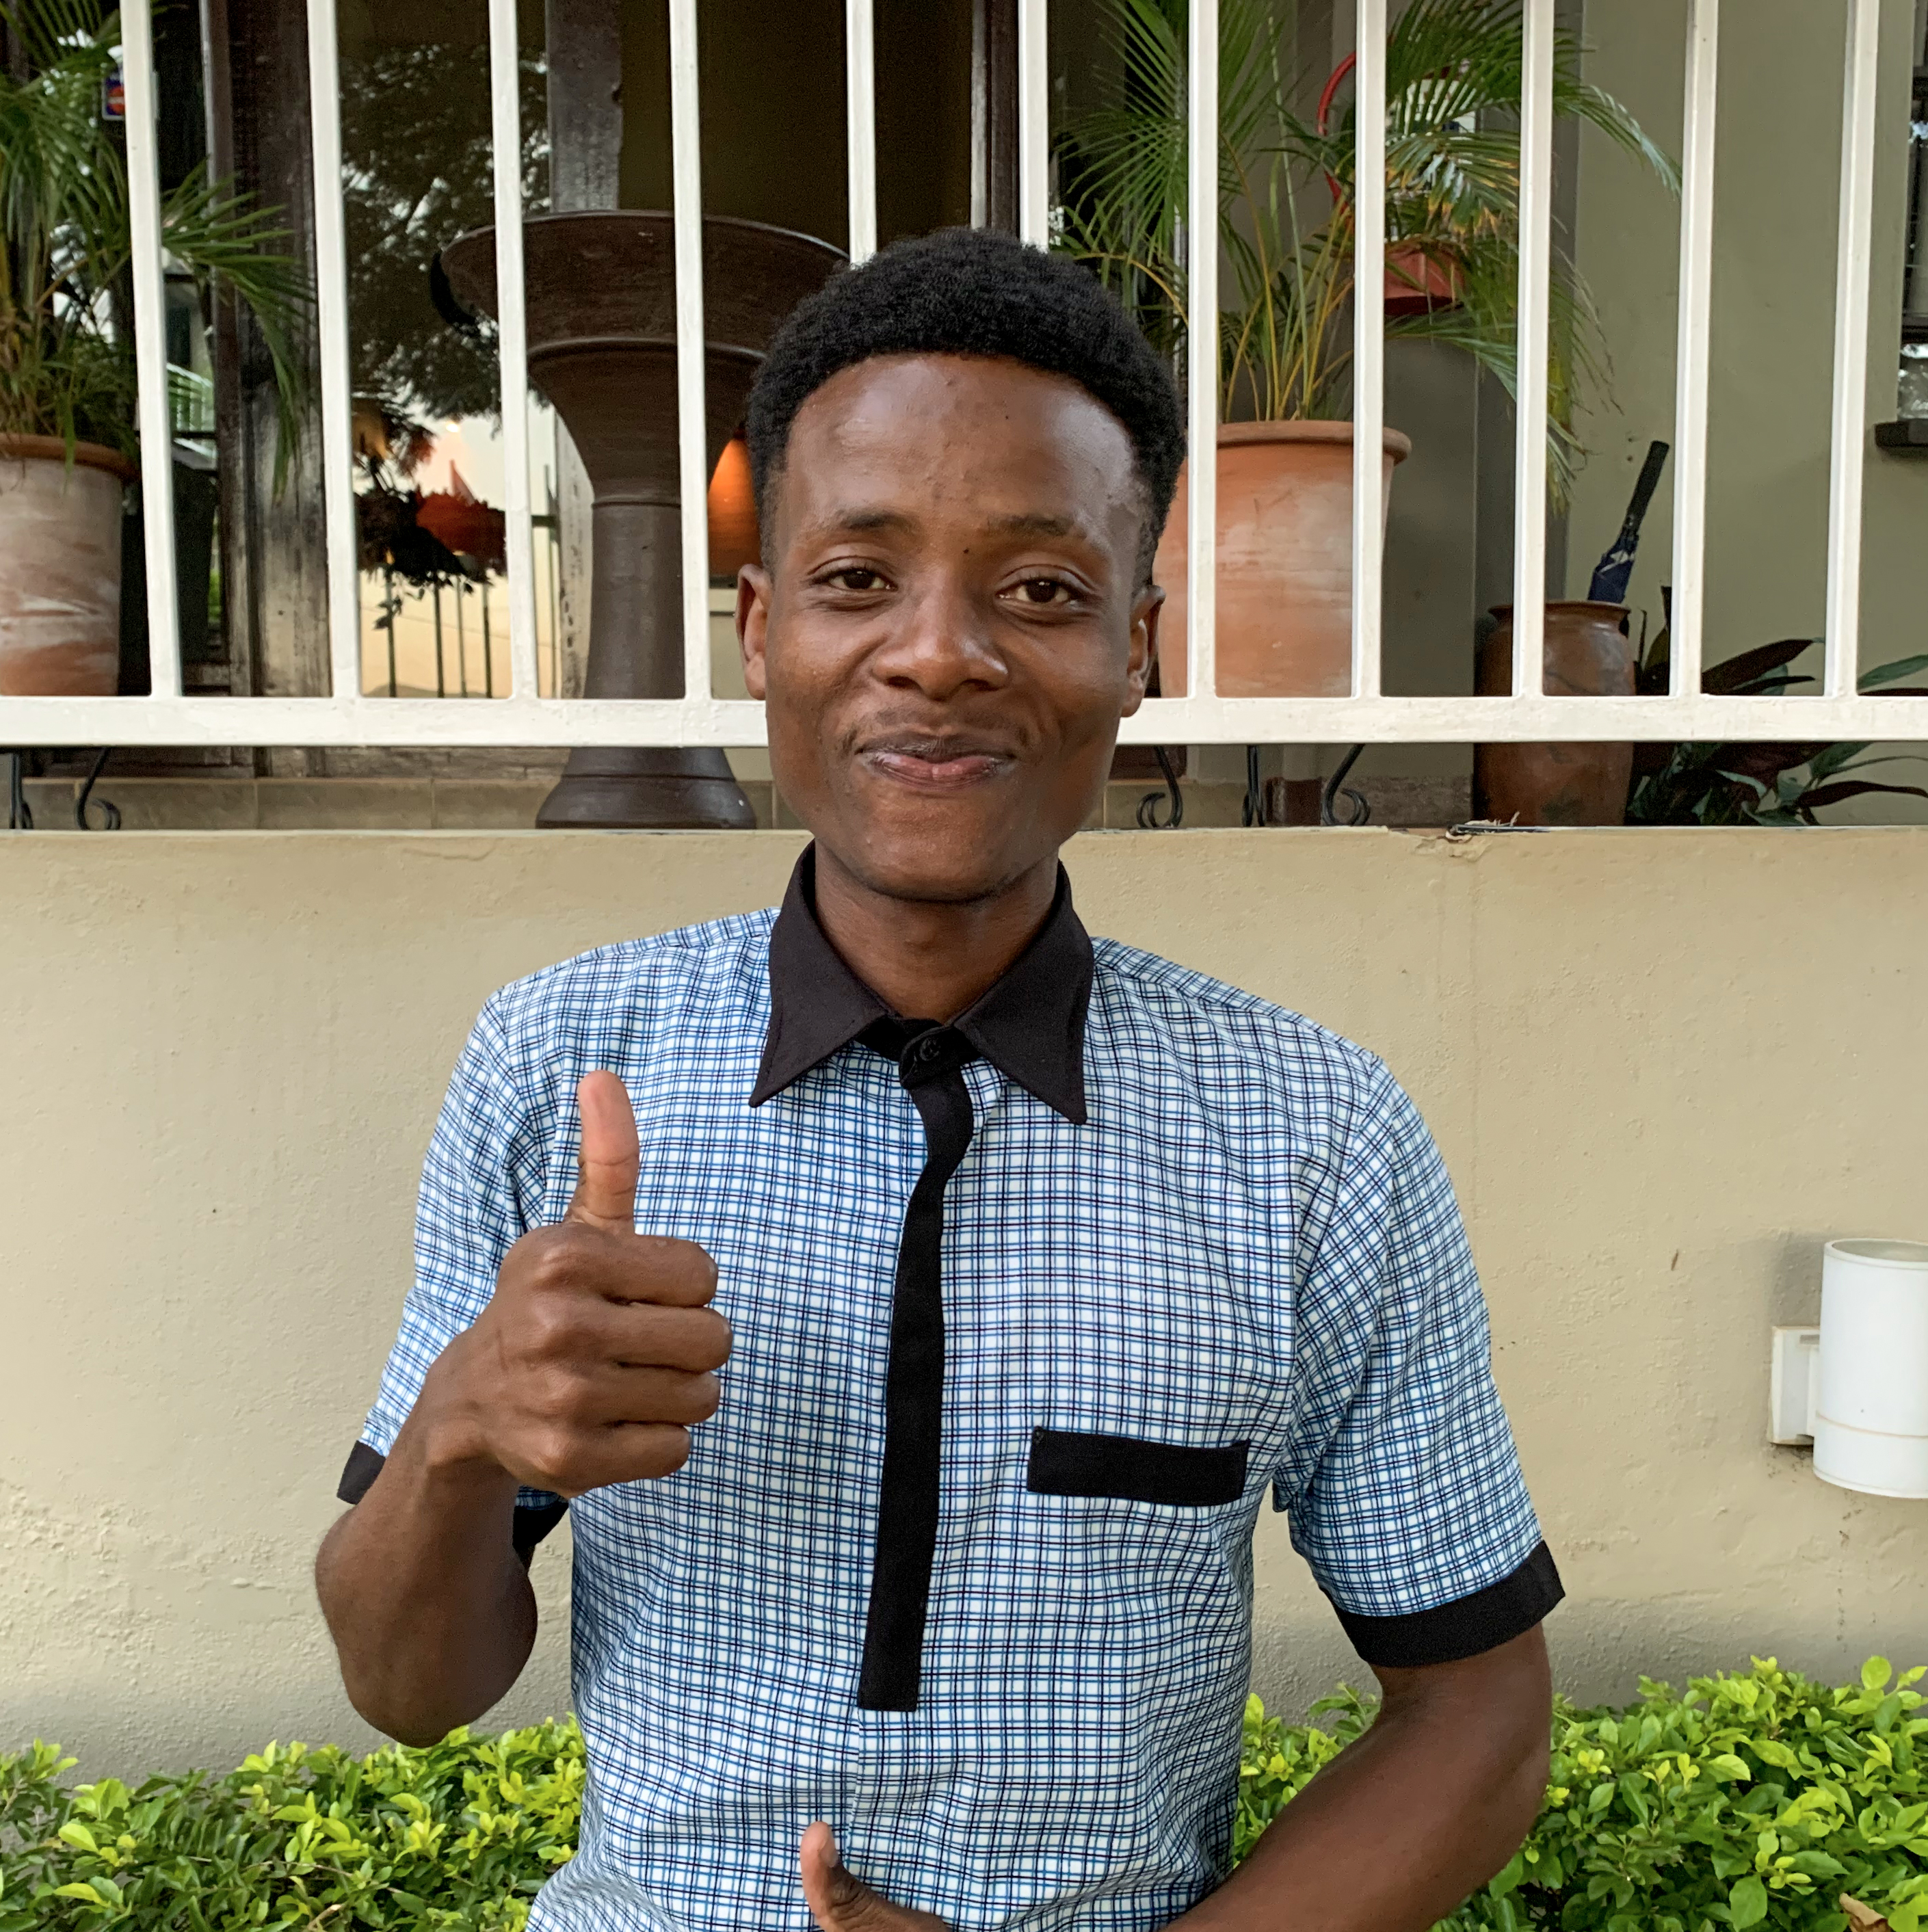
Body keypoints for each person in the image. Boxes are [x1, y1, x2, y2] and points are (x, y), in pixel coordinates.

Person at [317, 226, 1561, 1932]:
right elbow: (408, 1687)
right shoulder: (561, 1066)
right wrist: (460, 1440)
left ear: (1138, 646)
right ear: (761, 632)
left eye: (1040, 591)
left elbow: (1481, 1713)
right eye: (856, 579)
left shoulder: (1313, 1134)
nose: (939, 652)